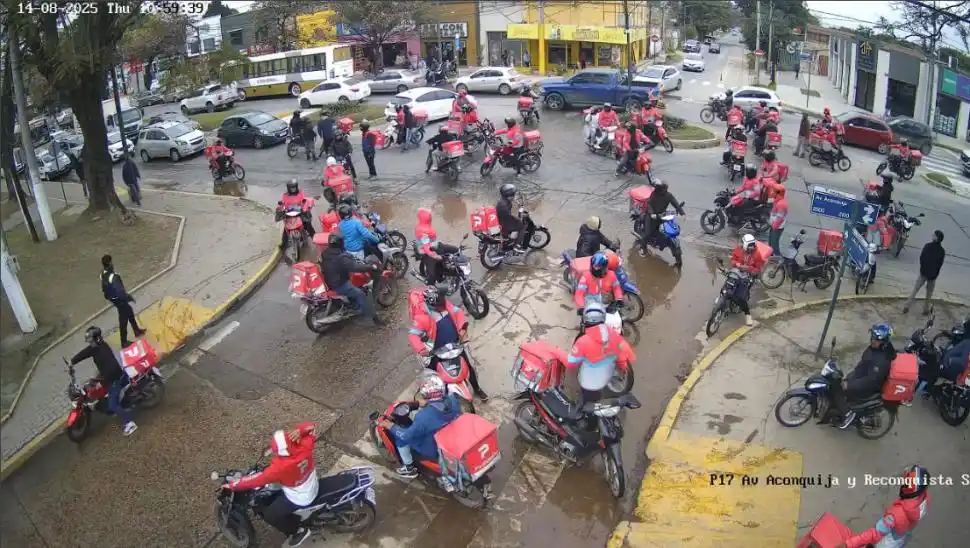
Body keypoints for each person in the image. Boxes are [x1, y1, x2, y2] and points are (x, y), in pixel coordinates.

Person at [224, 422, 319, 547]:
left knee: (270, 515)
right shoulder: (305, 445)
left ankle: (297, 532)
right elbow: (312, 426)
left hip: (300, 497)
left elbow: (254, 480)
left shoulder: (278, 469)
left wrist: (231, 485)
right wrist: (300, 431)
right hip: (311, 482)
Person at [409, 284, 488, 398]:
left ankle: (477, 389)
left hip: (455, 345)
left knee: (468, 367)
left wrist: (462, 328)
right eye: (440, 305)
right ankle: (436, 397)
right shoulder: (421, 316)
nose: (443, 306)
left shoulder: (446, 305)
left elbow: (458, 312)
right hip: (436, 350)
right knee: (433, 376)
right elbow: (413, 334)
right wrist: (421, 349)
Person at [378, 375, 461, 478]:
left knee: (400, 438)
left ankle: (409, 468)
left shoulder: (424, 416)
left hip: (432, 447)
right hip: (451, 436)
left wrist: (390, 426)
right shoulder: (452, 400)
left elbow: (406, 436)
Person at [836, 465, 930, 548]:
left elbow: (874, 534)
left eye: (906, 481)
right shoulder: (924, 499)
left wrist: (848, 545)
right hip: (900, 538)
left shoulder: (895, 515)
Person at [70, 326, 137, 436]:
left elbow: (112, 370)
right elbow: (85, 352)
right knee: (93, 383)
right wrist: (72, 361)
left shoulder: (102, 352)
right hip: (108, 375)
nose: (89, 343)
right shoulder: (97, 346)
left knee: (113, 404)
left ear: (96, 339)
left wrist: (102, 382)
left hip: (115, 377)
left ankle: (129, 423)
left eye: (90, 340)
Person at [566, 303, 636, 404]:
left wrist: (571, 382)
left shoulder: (582, 342)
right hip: (609, 373)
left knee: (588, 401)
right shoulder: (613, 334)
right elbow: (622, 355)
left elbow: (571, 364)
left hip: (592, 383)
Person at [830, 323, 896, 428]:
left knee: (837, 389)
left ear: (883, 342)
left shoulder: (881, 361)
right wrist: (849, 376)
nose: (873, 340)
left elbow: (870, 381)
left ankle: (848, 415)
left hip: (869, 387)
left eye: (877, 339)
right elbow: (862, 366)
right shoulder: (875, 349)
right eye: (872, 337)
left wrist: (850, 385)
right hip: (861, 378)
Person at [320, 233, 385, 325]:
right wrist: (369, 267)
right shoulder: (341, 257)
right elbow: (355, 267)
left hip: (329, 279)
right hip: (339, 284)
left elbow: (345, 260)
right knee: (361, 294)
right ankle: (373, 317)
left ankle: (352, 304)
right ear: (340, 243)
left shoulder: (325, 252)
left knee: (355, 285)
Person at [101, 254, 145, 347]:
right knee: (123, 320)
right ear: (110, 263)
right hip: (120, 300)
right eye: (111, 262)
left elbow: (105, 288)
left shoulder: (102, 274)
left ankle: (136, 330)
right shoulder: (114, 277)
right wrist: (129, 297)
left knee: (129, 311)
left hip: (113, 299)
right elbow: (120, 291)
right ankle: (124, 342)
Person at [638, 182, 685, 261]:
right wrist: (652, 213)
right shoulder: (654, 194)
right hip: (651, 216)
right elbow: (649, 204)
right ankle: (643, 248)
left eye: (665, 189)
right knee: (647, 234)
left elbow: (675, 203)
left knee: (668, 230)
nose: (664, 191)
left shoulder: (668, 195)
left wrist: (682, 213)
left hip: (662, 216)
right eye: (663, 190)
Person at [902, 230, 945, 315]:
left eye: (934, 235)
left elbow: (922, 258)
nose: (932, 235)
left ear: (936, 238)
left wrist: (922, 269)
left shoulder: (928, 246)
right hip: (933, 276)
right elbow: (940, 264)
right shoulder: (942, 251)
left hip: (923, 273)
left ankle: (907, 306)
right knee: (929, 294)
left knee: (915, 290)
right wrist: (935, 274)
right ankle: (925, 309)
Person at [729, 234, 766, 326]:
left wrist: (748, 269)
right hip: (737, 272)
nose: (751, 248)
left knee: (740, 297)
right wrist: (737, 264)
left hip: (748, 276)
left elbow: (757, 269)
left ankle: (747, 314)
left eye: (752, 246)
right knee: (728, 286)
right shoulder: (739, 249)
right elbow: (733, 259)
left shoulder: (758, 254)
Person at [496, 183, 526, 251]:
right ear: (509, 196)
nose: (514, 197)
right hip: (504, 222)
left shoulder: (503, 200)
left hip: (502, 219)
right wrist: (517, 219)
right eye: (513, 195)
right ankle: (517, 245)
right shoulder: (503, 206)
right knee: (521, 227)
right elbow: (509, 217)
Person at [768, 185, 789, 255]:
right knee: (770, 243)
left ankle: (778, 258)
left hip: (777, 228)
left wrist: (774, 227)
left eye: (773, 191)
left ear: (778, 193)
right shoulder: (777, 200)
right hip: (774, 226)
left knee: (774, 245)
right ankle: (770, 256)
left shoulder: (781, 204)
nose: (772, 192)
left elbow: (780, 218)